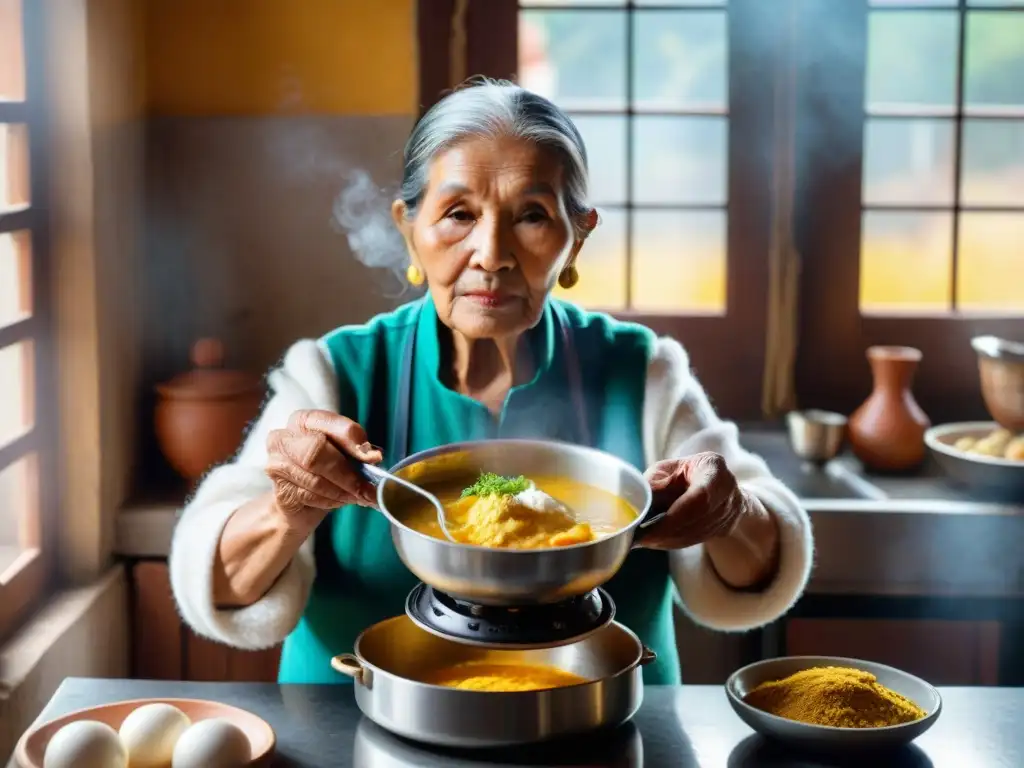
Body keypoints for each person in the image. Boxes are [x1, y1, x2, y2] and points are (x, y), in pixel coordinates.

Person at [170, 80, 812, 685]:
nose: (492, 253)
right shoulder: (334, 374)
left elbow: (758, 560)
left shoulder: (641, 371)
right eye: (457, 214)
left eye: (532, 215)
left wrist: (730, 511)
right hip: (351, 733)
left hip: (594, 732)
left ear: (577, 238)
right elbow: (223, 584)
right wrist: (289, 506)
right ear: (408, 230)